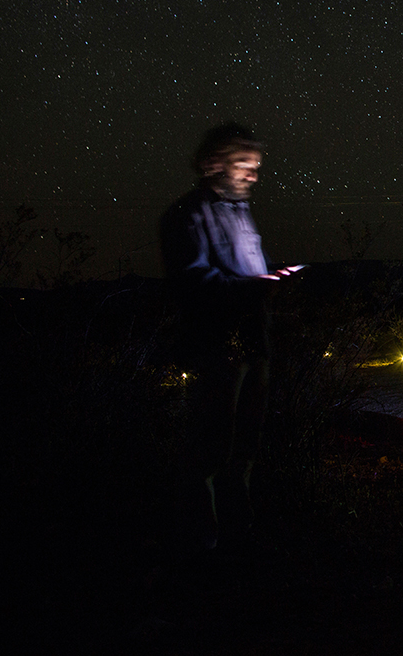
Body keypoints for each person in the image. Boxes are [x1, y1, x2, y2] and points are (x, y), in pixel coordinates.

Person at [160, 122, 301, 551]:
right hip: (216, 346)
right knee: (210, 442)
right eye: (245, 165)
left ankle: (239, 531)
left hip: (254, 342)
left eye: (256, 166)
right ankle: (200, 539)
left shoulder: (240, 213)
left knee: (245, 443)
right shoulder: (186, 215)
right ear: (213, 164)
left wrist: (274, 278)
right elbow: (194, 283)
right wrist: (260, 286)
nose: (254, 175)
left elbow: (249, 269)